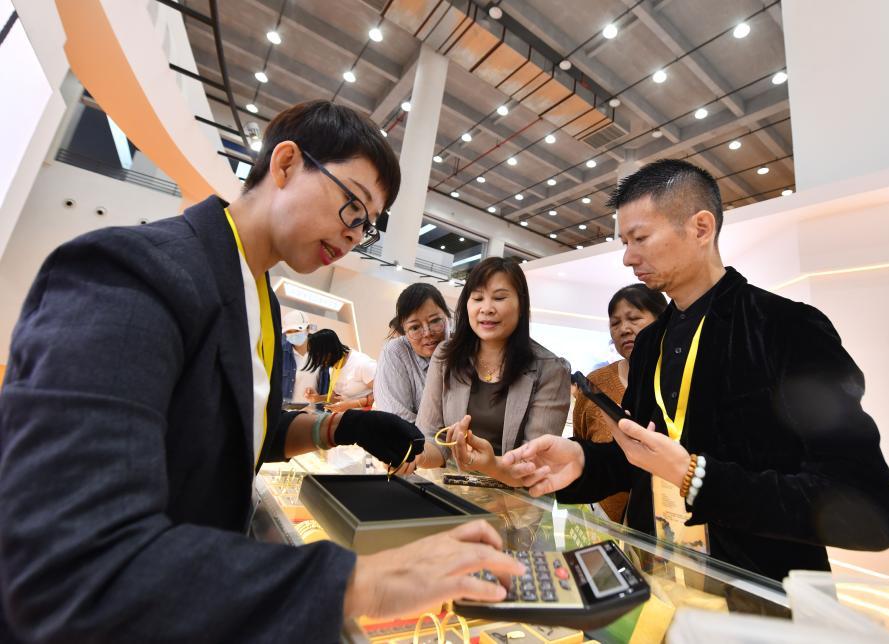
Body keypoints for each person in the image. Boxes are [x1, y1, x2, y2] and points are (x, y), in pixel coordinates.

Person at [0, 100, 523, 642]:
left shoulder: (258, 298)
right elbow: (68, 560)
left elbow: (242, 429)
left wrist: (343, 425)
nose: (353, 235)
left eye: (366, 226)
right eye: (352, 207)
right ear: (287, 163)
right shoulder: (134, 272)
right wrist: (358, 581)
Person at [492, 159, 889, 582]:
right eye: (625, 242)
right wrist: (581, 460)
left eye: (640, 238)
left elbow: (869, 509)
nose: (628, 257)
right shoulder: (651, 342)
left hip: (755, 589)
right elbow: (638, 458)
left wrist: (696, 477)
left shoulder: (785, 327)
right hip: (654, 582)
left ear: (701, 228)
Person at [401, 257, 570, 479]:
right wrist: (412, 455)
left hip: (516, 496)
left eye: (499, 298)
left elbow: (534, 463)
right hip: (456, 490)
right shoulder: (446, 356)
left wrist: (490, 465)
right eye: (478, 298)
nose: (486, 309)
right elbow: (432, 438)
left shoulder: (550, 369)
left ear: (521, 305)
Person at [573, 283, 666, 522]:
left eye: (634, 319)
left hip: (664, 519)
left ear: (662, 319)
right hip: (601, 518)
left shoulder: (674, 383)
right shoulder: (596, 382)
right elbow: (582, 440)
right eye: (615, 323)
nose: (624, 329)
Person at [374, 283, 451, 422]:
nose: (427, 333)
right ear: (404, 330)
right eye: (415, 327)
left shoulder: (465, 344)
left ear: (447, 317)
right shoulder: (395, 352)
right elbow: (396, 420)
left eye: (435, 321)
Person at [304, 328, 378, 411]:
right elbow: (337, 397)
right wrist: (318, 398)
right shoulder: (333, 366)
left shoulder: (362, 363)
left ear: (329, 351)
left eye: (318, 356)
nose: (318, 361)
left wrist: (355, 404)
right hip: (350, 415)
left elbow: (383, 392)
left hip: (371, 414)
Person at [280, 309, 319, 403]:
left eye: (297, 330)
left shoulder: (321, 354)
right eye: (289, 331)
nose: (293, 334)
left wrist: (320, 398)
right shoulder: (281, 354)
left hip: (316, 410)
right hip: (288, 410)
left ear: (308, 329)